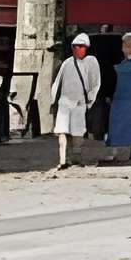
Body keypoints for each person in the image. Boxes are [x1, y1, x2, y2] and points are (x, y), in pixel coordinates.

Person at [49, 35, 101, 170]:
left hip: (79, 103)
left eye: (81, 46)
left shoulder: (91, 62)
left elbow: (95, 83)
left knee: (77, 132)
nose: (78, 49)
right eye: (76, 46)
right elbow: (57, 83)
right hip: (65, 103)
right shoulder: (67, 63)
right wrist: (53, 101)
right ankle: (63, 159)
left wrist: (89, 100)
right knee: (63, 132)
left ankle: (76, 158)